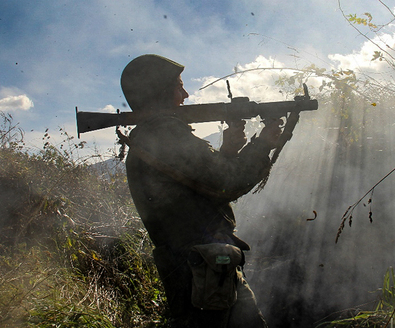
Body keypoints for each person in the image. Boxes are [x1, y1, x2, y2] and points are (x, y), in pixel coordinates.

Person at [121, 54, 284, 328]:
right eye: (178, 86)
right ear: (158, 92)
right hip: (201, 270)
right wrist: (262, 145)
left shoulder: (152, 136)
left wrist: (229, 151)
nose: (185, 94)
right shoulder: (164, 135)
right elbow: (224, 184)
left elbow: (197, 186)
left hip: (200, 267)